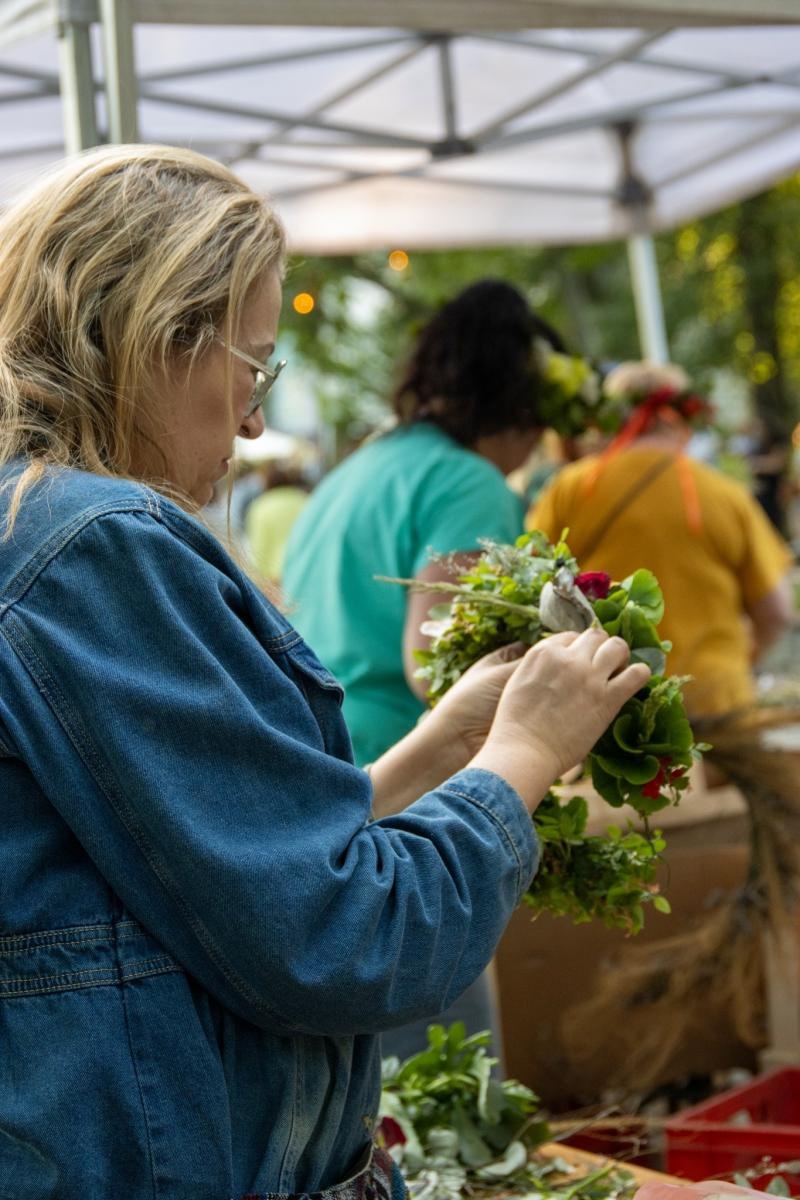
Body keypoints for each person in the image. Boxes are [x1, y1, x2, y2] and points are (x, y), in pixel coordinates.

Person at [0, 144, 649, 1200]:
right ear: (164, 338)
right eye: (252, 365)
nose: (256, 420)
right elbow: (340, 940)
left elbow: (219, 864)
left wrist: (447, 743)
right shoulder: (92, 545)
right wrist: (527, 751)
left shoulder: (30, 525)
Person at [282, 280, 568, 1060]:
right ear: (516, 398)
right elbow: (432, 662)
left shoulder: (356, 472)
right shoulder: (468, 482)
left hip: (332, 785)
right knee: (445, 1059)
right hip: (410, 796)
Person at [528, 360, 794, 721]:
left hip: (608, 707)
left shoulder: (570, 489)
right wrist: (737, 662)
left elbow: (531, 588)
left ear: (609, 417)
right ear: (684, 415)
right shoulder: (724, 494)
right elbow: (776, 613)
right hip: (716, 705)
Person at [245, 461, 310, 583]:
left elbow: (258, 545)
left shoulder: (261, 506)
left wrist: (258, 579)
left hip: (274, 578)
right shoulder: (304, 500)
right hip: (304, 572)